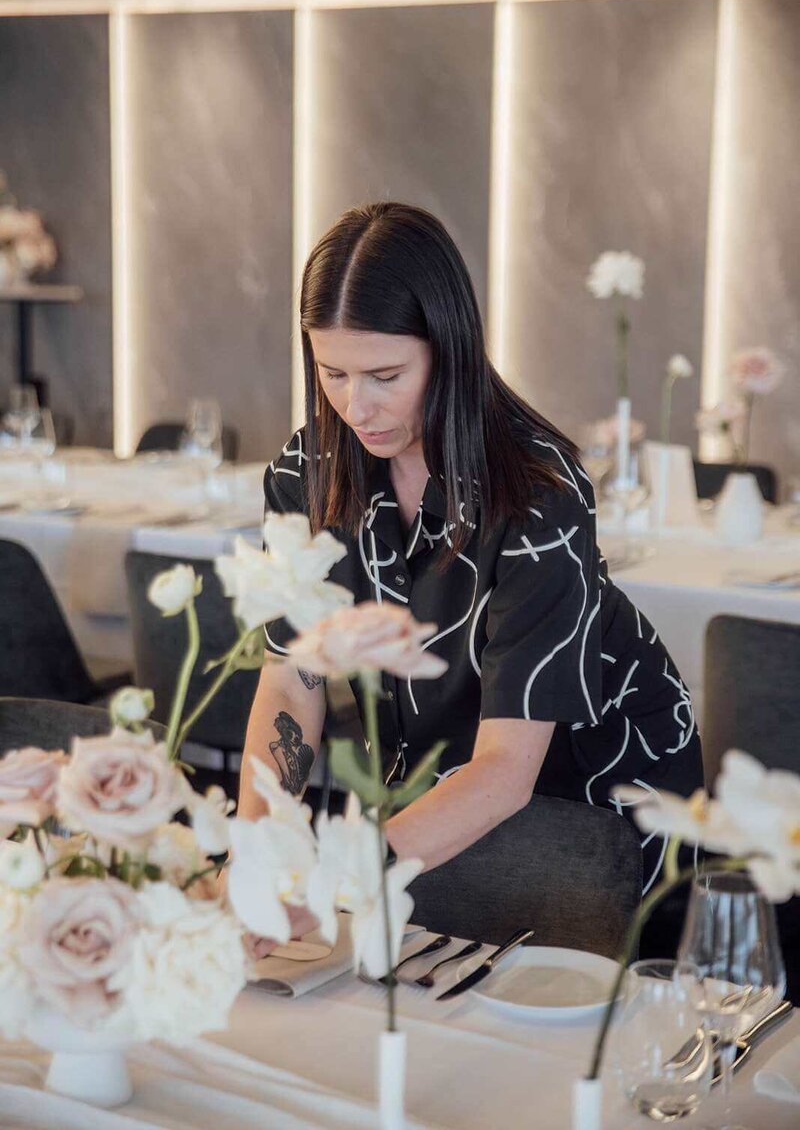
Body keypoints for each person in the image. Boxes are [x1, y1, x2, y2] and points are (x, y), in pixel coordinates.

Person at [238, 201, 704, 946]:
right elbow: (293, 677)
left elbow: (505, 772)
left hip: (586, 792)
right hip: (433, 796)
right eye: (333, 372)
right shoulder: (307, 471)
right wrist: (257, 857)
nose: (358, 405)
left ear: (447, 349)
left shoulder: (538, 491)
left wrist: (340, 875)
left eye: (386, 374)